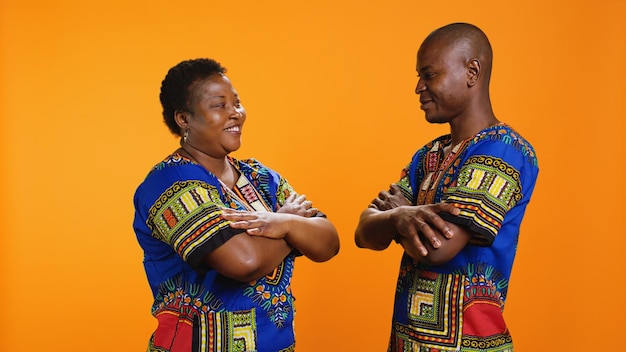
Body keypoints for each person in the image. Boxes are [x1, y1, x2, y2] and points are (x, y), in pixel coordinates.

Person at [133, 58, 340, 352]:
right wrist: (292, 226)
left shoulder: (259, 176)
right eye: (219, 105)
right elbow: (244, 263)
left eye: (237, 103)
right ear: (184, 119)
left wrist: (286, 223)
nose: (236, 114)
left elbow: (328, 242)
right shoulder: (171, 183)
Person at [354, 23, 539, 351]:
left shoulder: (505, 149)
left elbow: (438, 248)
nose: (418, 87)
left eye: (429, 74)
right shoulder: (427, 156)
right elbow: (364, 233)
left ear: (472, 72)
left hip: (470, 345)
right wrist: (401, 218)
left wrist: (398, 216)